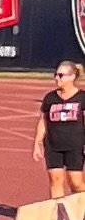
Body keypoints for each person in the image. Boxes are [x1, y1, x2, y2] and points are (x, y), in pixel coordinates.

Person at [38, 63, 85, 198]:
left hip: (75, 145)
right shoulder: (50, 98)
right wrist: (38, 142)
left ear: (72, 77)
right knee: (55, 181)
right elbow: (43, 120)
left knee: (76, 183)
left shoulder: (82, 97)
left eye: (61, 75)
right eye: (56, 75)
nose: (56, 79)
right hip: (53, 146)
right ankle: (59, 214)